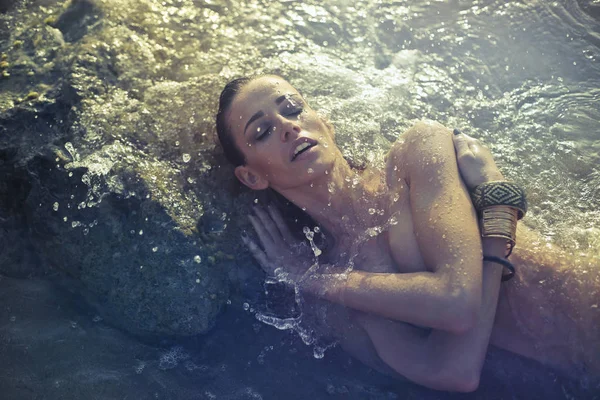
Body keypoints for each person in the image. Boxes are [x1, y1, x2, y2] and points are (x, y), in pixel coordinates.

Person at [215, 74, 600, 392]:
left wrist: (314, 278)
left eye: (293, 108)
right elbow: (452, 373)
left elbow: (457, 303)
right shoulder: (328, 293)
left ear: (325, 121)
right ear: (252, 176)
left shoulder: (414, 156)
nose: (288, 126)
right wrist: (498, 207)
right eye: (263, 131)